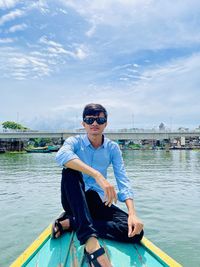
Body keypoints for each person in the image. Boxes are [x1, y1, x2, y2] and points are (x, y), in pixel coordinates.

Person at [53, 103, 144, 267]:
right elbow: (61, 155)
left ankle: (72, 223)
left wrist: (132, 213)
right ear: (84, 124)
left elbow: (123, 179)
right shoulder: (74, 141)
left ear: (106, 123)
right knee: (70, 170)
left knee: (135, 232)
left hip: (96, 200)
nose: (95, 123)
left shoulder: (112, 148)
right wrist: (97, 174)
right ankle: (91, 244)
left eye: (100, 119)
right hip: (74, 199)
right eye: (90, 119)